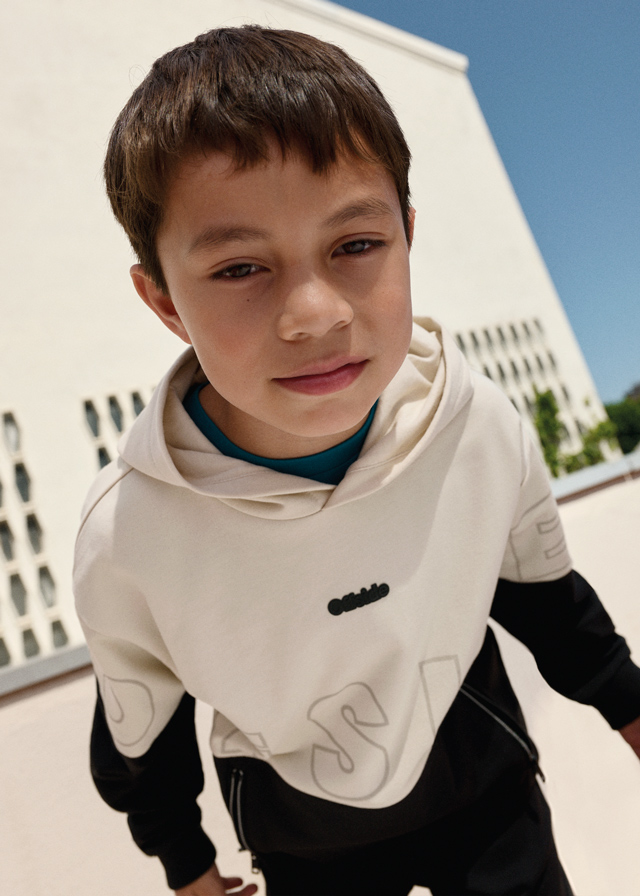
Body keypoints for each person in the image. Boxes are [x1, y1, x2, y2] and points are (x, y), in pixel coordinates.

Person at [74, 25, 640, 896]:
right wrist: (187, 866)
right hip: (305, 846)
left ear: (407, 235)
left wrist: (628, 707)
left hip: (486, 793)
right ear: (164, 301)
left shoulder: (475, 426)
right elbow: (136, 725)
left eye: (355, 246)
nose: (314, 314)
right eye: (239, 268)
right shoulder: (130, 533)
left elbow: (546, 599)